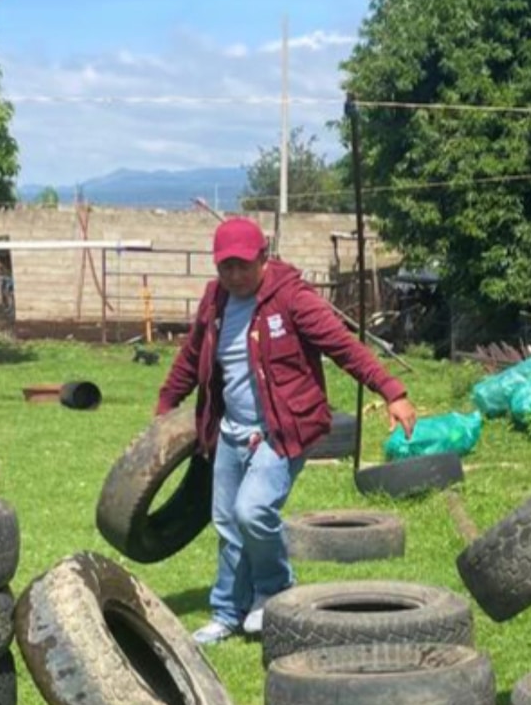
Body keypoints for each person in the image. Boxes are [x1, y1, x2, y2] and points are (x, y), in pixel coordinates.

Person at [157, 218, 418, 644]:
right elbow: (191, 358)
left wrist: (392, 391)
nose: (234, 276)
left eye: (243, 265)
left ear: (263, 258)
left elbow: (343, 346)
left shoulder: (292, 298)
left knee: (252, 511)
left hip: (282, 429)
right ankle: (227, 612)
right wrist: (166, 407)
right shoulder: (215, 300)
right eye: (226, 267)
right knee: (227, 523)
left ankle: (274, 588)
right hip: (231, 431)